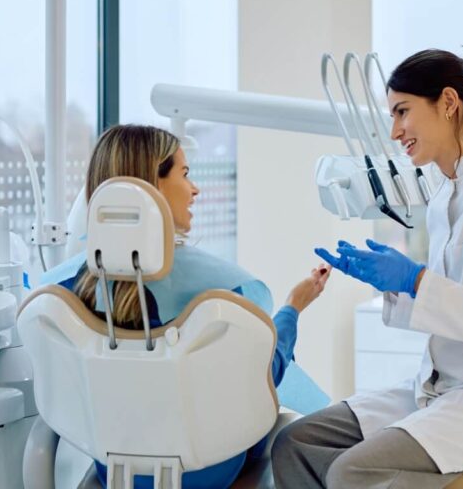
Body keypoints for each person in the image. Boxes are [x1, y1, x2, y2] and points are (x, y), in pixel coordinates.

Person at [273, 49, 463, 489]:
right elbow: (448, 300)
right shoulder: (446, 192)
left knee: (352, 471)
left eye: (402, 111)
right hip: (439, 386)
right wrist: (396, 284)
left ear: (447, 102)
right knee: (296, 443)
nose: (394, 130)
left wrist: (416, 280)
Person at [64, 124, 329, 489]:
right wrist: (292, 309)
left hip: (112, 471)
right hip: (207, 471)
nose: (195, 189)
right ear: (151, 186)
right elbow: (264, 374)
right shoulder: (223, 290)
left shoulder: (63, 293)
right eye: (185, 174)